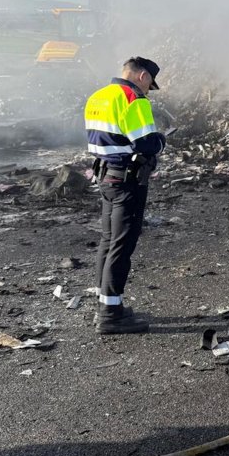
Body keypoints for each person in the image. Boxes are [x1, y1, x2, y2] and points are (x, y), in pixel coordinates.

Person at [84, 56, 167, 334]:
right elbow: (146, 144)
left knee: (109, 241)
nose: (147, 91)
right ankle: (111, 315)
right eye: (149, 85)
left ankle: (107, 303)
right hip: (126, 181)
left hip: (105, 176)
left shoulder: (99, 96)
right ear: (143, 76)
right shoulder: (133, 98)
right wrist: (161, 141)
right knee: (122, 245)